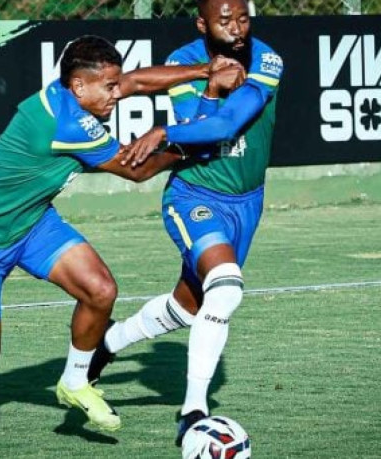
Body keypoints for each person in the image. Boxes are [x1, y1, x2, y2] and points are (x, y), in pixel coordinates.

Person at [0, 35, 238, 446]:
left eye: (114, 84)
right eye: (108, 87)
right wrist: (194, 140)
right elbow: (137, 170)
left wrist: (203, 70)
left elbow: (135, 82)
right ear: (78, 86)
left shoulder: (71, 94)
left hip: (33, 223)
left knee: (100, 290)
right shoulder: (69, 125)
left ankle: (74, 380)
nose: (116, 94)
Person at [86, 0, 285, 447]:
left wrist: (162, 131)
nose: (237, 28)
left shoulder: (268, 60)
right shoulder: (181, 63)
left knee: (188, 307)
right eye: (224, 20)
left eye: (243, 18)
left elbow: (230, 121)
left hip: (247, 202)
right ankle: (194, 409)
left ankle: (105, 346)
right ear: (202, 23)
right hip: (195, 195)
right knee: (227, 286)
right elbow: (201, 129)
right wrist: (203, 93)